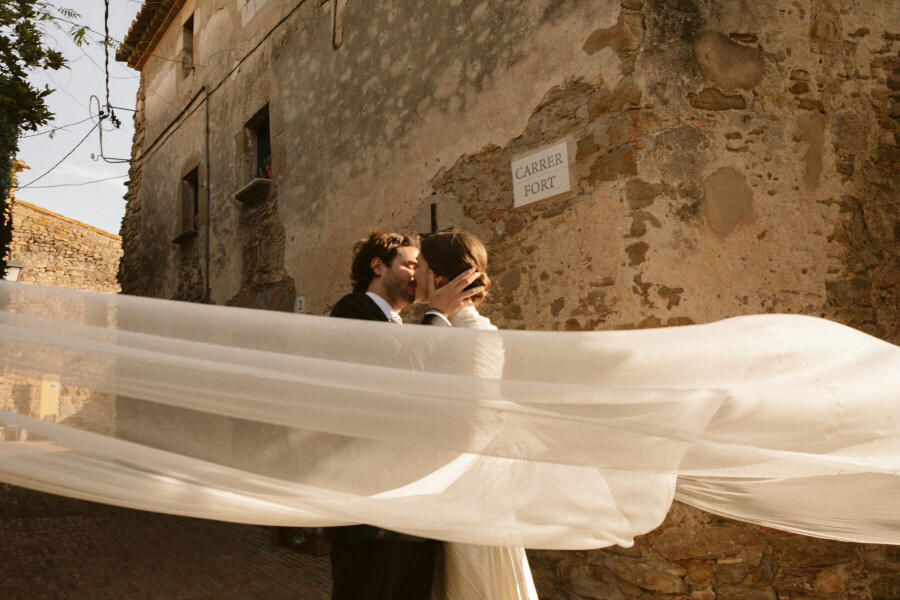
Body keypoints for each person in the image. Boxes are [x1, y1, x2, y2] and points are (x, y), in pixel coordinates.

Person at [327, 229, 483, 600]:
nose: (418, 275)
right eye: (411, 264)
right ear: (377, 266)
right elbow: (403, 376)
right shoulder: (352, 310)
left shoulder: (407, 329)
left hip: (412, 507)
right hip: (372, 514)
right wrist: (437, 313)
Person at [414, 229, 539, 600]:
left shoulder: (468, 335)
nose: (412, 274)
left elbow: (470, 421)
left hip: (465, 488)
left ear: (437, 278)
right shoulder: (456, 330)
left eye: (418, 266)